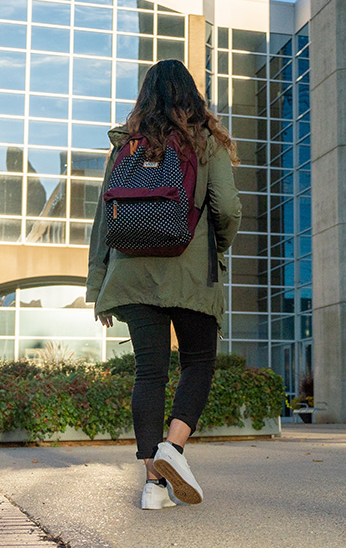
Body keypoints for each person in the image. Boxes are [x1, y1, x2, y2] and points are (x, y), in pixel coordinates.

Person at [86, 59, 241, 510]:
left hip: (131, 274)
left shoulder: (126, 147)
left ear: (145, 96)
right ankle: (173, 447)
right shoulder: (204, 141)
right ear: (190, 95)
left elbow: (102, 222)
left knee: (149, 373)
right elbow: (227, 209)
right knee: (198, 363)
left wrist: (98, 285)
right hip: (189, 273)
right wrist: (218, 247)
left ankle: (153, 485)